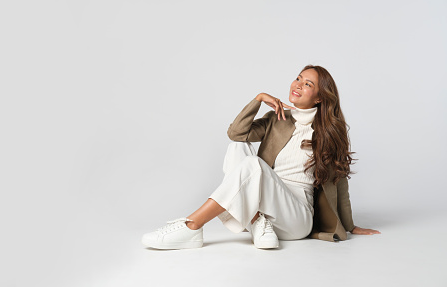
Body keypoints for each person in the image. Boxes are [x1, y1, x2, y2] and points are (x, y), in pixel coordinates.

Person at [141, 65, 380, 250]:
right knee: (237, 148)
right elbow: (236, 133)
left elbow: (340, 180)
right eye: (298, 78)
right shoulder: (277, 118)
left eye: (307, 84)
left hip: (296, 216)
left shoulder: (329, 131)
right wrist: (258, 99)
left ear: (319, 97)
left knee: (254, 164)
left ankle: (191, 226)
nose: (298, 85)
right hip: (266, 204)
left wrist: (350, 226)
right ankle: (258, 222)